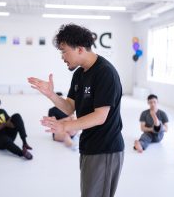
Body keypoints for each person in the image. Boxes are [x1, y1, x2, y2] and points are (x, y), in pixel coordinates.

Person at [28, 24, 125, 197]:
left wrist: (65, 127)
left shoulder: (105, 73)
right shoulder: (79, 74)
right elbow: (69, 107)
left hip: (105, 149)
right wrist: (51, 94)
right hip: (89, 146)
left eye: (64, 51)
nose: (62, 57)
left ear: (80, 49)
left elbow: (100, 116)